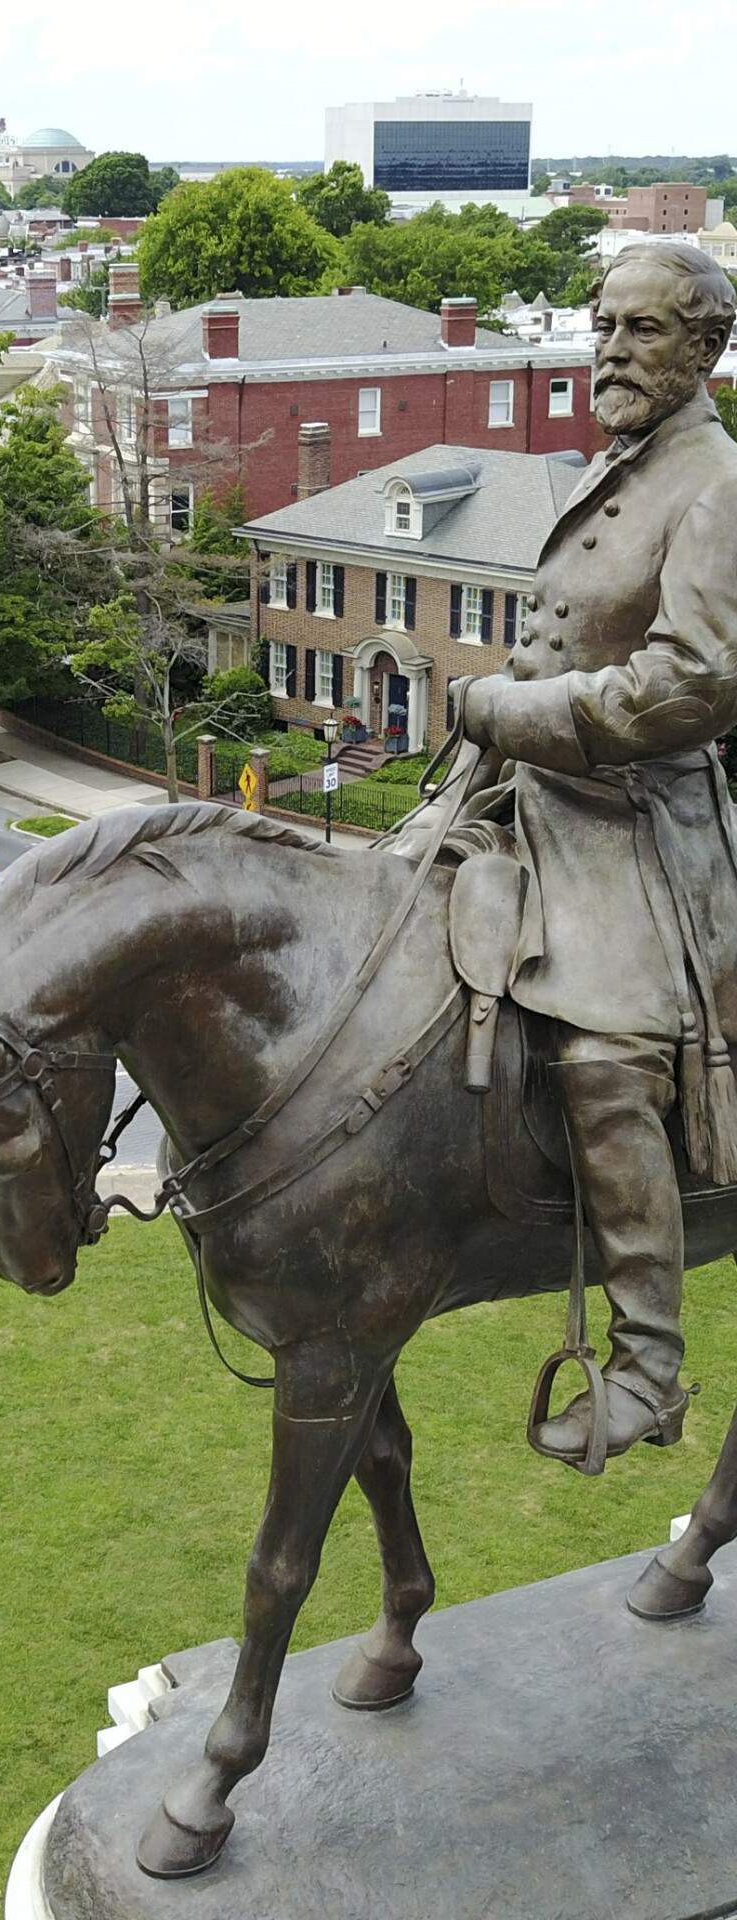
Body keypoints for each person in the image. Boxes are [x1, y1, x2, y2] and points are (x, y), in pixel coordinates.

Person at [457, 242, 737, 1465]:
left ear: (703, 348)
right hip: (524, 787)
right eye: (602, 327)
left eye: (641, 332)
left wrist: (510, 713)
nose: (610, 352)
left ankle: (647, 1371)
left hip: (638, 821)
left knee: (605, 1057)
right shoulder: (625, 462)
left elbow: (697, 680)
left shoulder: (718, 483)